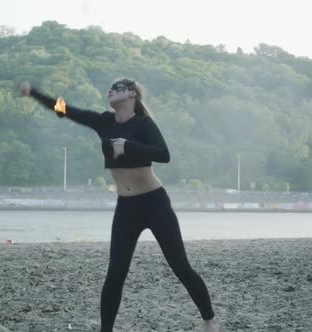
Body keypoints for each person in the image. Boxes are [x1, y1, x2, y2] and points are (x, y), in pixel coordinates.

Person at [19, 78, 221, 332]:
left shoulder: (144, 124)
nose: (111, 90)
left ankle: (210, 320)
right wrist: (34, 93)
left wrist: (128, 146)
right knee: (115, 273)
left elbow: (163, 154)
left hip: (155, 203)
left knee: (181, 267)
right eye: (110, 88)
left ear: (133, 95)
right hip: (127, 208)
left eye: (118, 87)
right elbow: (65, 109)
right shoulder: (104, 122)